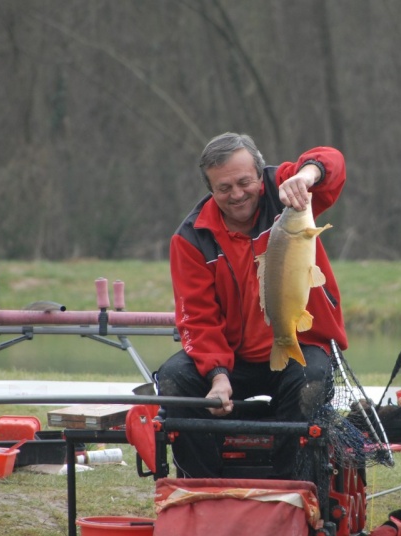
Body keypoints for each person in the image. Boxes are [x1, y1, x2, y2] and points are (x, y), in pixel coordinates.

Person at [156, 132, 348, 480]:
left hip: (297, 346)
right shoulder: (190, 238)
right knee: (173, 379)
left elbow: (332, 160)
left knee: (312, 380)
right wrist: (217, 375)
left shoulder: (287, 196)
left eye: (245, 182)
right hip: (232, 358)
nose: (237, 194)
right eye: (224, 188)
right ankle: (204, 488)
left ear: (261, 176)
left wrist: (306, 177)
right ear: (210, 189)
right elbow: (197, 319)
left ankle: (290, 490)